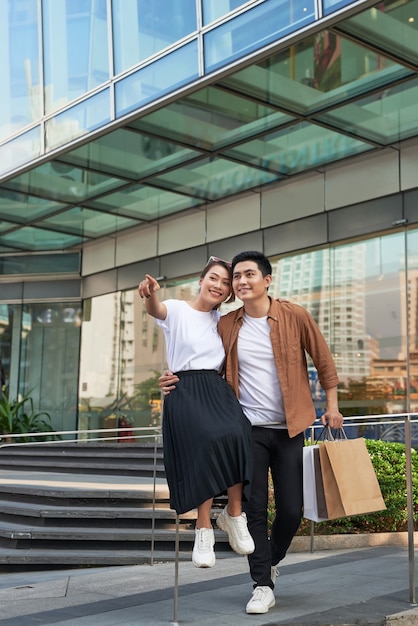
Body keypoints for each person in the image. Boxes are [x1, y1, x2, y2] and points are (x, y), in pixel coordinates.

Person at [159, 250, 344, 614]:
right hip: (247, 429)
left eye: (248, 275)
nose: (241, 282)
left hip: (290, 428)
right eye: (236, 277)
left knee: (291, 510)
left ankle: (270, 560)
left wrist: (333, 406)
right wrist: (170, 377)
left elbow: (324, 361)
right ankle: (261, 584)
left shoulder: (294, 315)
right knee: (254, 509)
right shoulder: (227, 324)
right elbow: (196, 355)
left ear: (267, 280)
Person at [137, 257, 255, 570]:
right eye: (213, 278)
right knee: (204, 442)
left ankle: (233, 514)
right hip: (184, 389)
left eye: (225, 283)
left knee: (239, 433)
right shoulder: (176, 309)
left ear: (229, 292)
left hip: (215, 388)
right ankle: (203, 528)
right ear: (200, 281)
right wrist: (150, 294)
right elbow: (155, 309)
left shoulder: (224, 321)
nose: (218, 285)